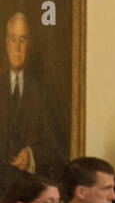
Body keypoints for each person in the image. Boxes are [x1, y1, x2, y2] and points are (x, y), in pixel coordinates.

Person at [0, 12, 66, 180]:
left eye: (22, 40)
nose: (17, 48)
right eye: (13, 39)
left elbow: (56, 147)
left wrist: (31, 155)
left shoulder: (44, 93)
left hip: (31, 188)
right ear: (6, 44)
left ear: (28, 45)